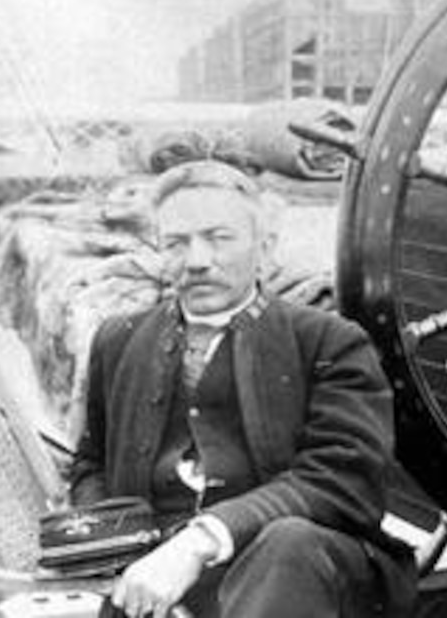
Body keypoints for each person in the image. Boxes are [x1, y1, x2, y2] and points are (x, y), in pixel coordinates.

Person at [69, 159, 416, 618]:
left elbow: (343, 481)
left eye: (219, 238)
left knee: (289, 543)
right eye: (176, 242)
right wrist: (120, 553)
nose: (197, 260)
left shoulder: (329, 341)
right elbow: (90, 466)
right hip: (159, 577)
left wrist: (199, 542)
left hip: (301, 576)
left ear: (263, 246)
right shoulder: (118, 339)